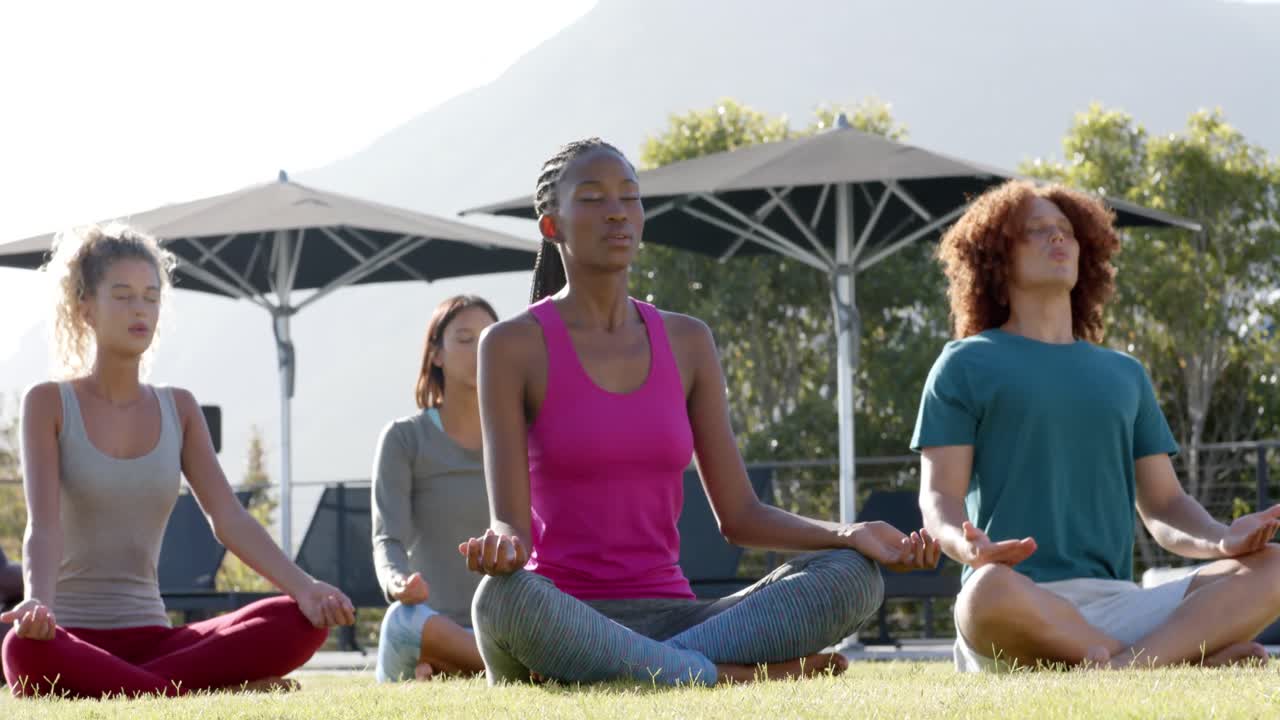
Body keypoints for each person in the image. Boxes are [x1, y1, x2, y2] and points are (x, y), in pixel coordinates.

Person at [458, 138, 940, 688]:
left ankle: (629, 673)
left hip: (681, 617)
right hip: (565, 615)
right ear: (552, 227)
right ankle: (722, 676)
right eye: (592, 198)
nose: (617, 210)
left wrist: (852, 533)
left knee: (854, 577)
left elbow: (740, 516)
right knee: (501, 599)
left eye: (630, 197)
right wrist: (500, 544)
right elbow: (510, 526)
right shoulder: (511, 345)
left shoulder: (688, 341)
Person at [912, 180, 1280, 672]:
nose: (1057, 239)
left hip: (1119, 606)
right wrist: (966, 545)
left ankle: (1123, 666)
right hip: (1017, 604)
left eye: (1065, 230)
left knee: (1274, 565)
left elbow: (1166, 505)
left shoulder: (1125, 374)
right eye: (1035, 232)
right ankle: (1171, 656)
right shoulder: (963, 365)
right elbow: (939, 498)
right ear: (997, 259)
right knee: (984, 592)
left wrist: (1221, 540)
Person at [2, 224, 356, 699]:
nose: (140, 309)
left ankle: (145, 686)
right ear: (85, 306)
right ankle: (200, 690)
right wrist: (38, 605)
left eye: (150, 297)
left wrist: (306, 586)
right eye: (123, 295)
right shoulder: (48, 403)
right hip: (72, 639)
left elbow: (228, 517)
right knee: (22, 652)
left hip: (160, 640)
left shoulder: (180, 408)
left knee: (299, 621)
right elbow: (42, 527)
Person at [372, 295, 495, 682]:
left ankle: (458, 667)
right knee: (400, 622)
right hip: (431, 625)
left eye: (489, 337)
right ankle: (495, 667)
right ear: (436, 354)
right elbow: (387, 538)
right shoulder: (404, 439)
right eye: (464, 338)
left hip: (507, 627)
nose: (479, 348)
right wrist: (397, 583)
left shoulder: (522, 439)